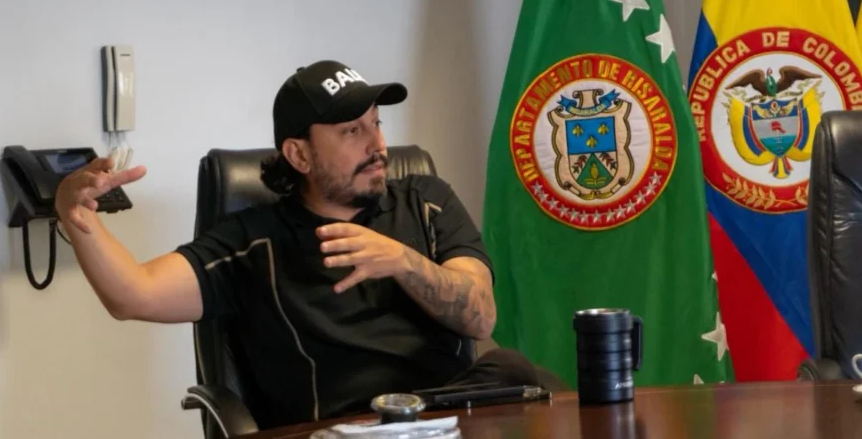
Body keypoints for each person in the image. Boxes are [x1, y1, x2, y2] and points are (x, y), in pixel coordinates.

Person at [55, 60, 563, 430]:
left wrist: (403, 262)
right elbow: (134, 293)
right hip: (344, 429)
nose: (378, 145)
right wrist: (76, 217)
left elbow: (481, 317)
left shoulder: (425, 201)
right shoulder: (255, 242)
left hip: (442, 423)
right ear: (299, 155)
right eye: (352, 131)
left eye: (376, 124)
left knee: (515, 370)